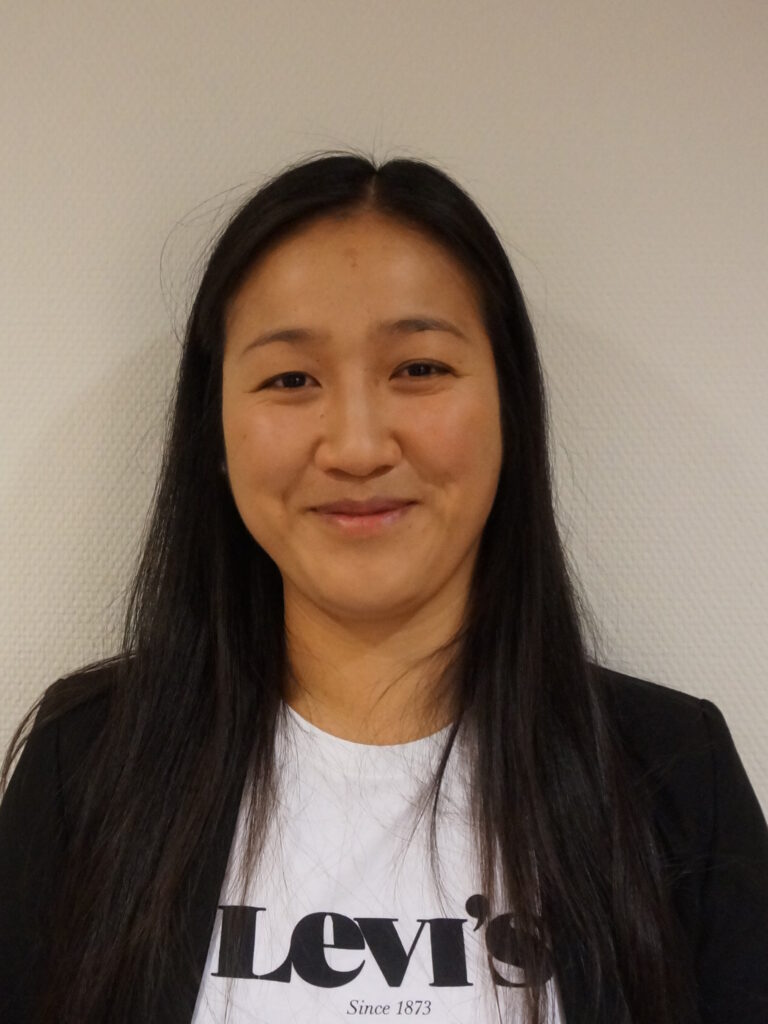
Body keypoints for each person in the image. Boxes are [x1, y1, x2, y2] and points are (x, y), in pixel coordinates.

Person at [1, 150, 766, 1024]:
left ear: (510, 409)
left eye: (419, 369)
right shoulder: (87, 764)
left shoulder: (676, 774)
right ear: (215, 430)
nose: (358, 447)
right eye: (291, 379)